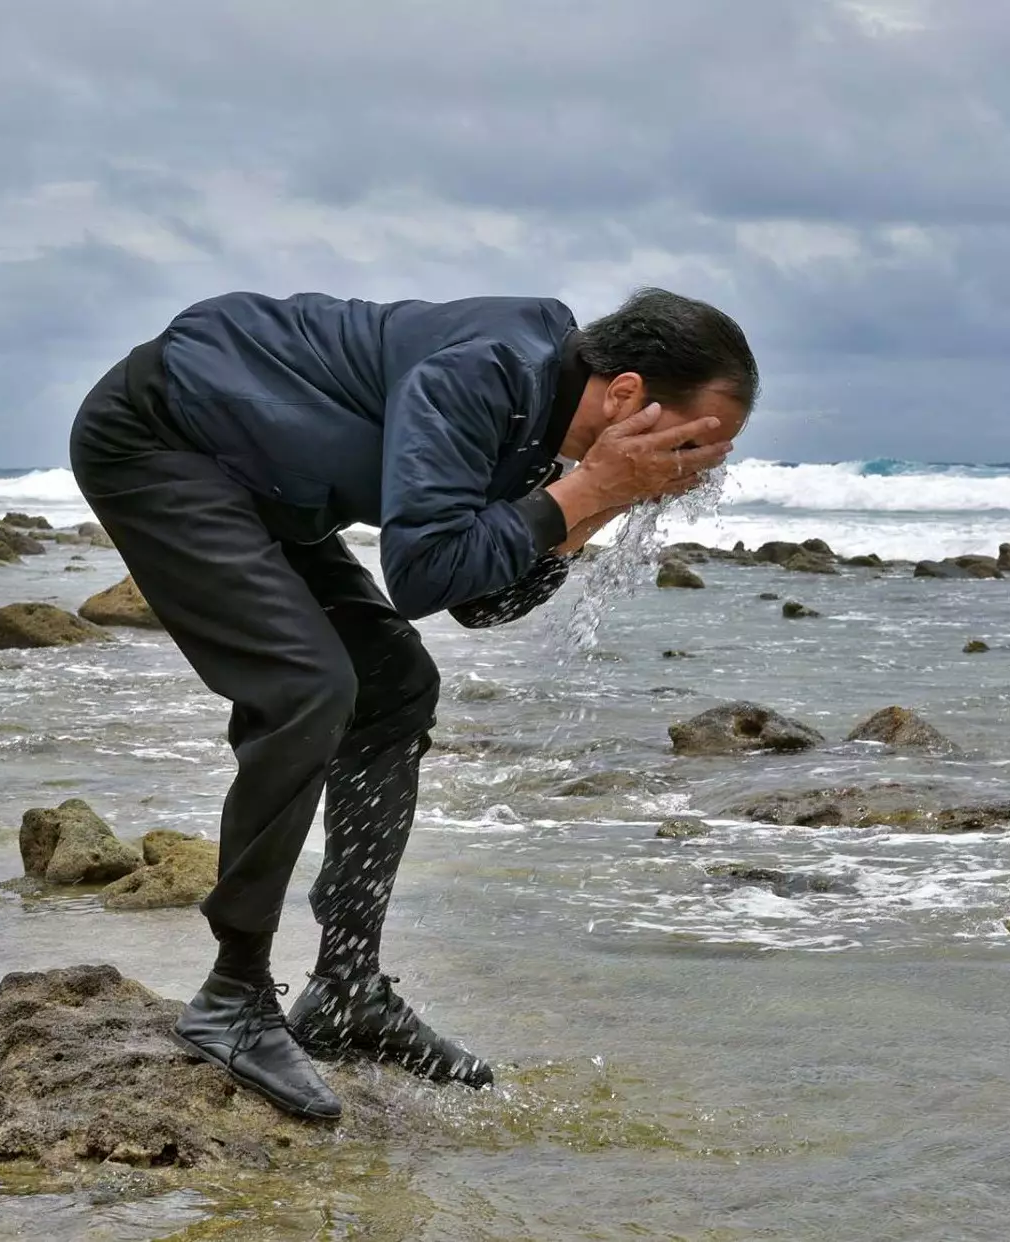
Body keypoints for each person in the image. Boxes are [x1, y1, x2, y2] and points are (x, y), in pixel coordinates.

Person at [68, 286, 756, 1121]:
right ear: (625, 396)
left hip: (268, 485)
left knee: (397, 686)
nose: (692, 473)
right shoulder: (486, 371)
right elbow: (425, 573)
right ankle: (234, 996)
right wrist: (587, 491)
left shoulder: (549, 425)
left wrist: (592, 499)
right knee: (307, 688)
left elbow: (482, 599)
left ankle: (348, 988)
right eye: (690, 445)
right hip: (161, 441)